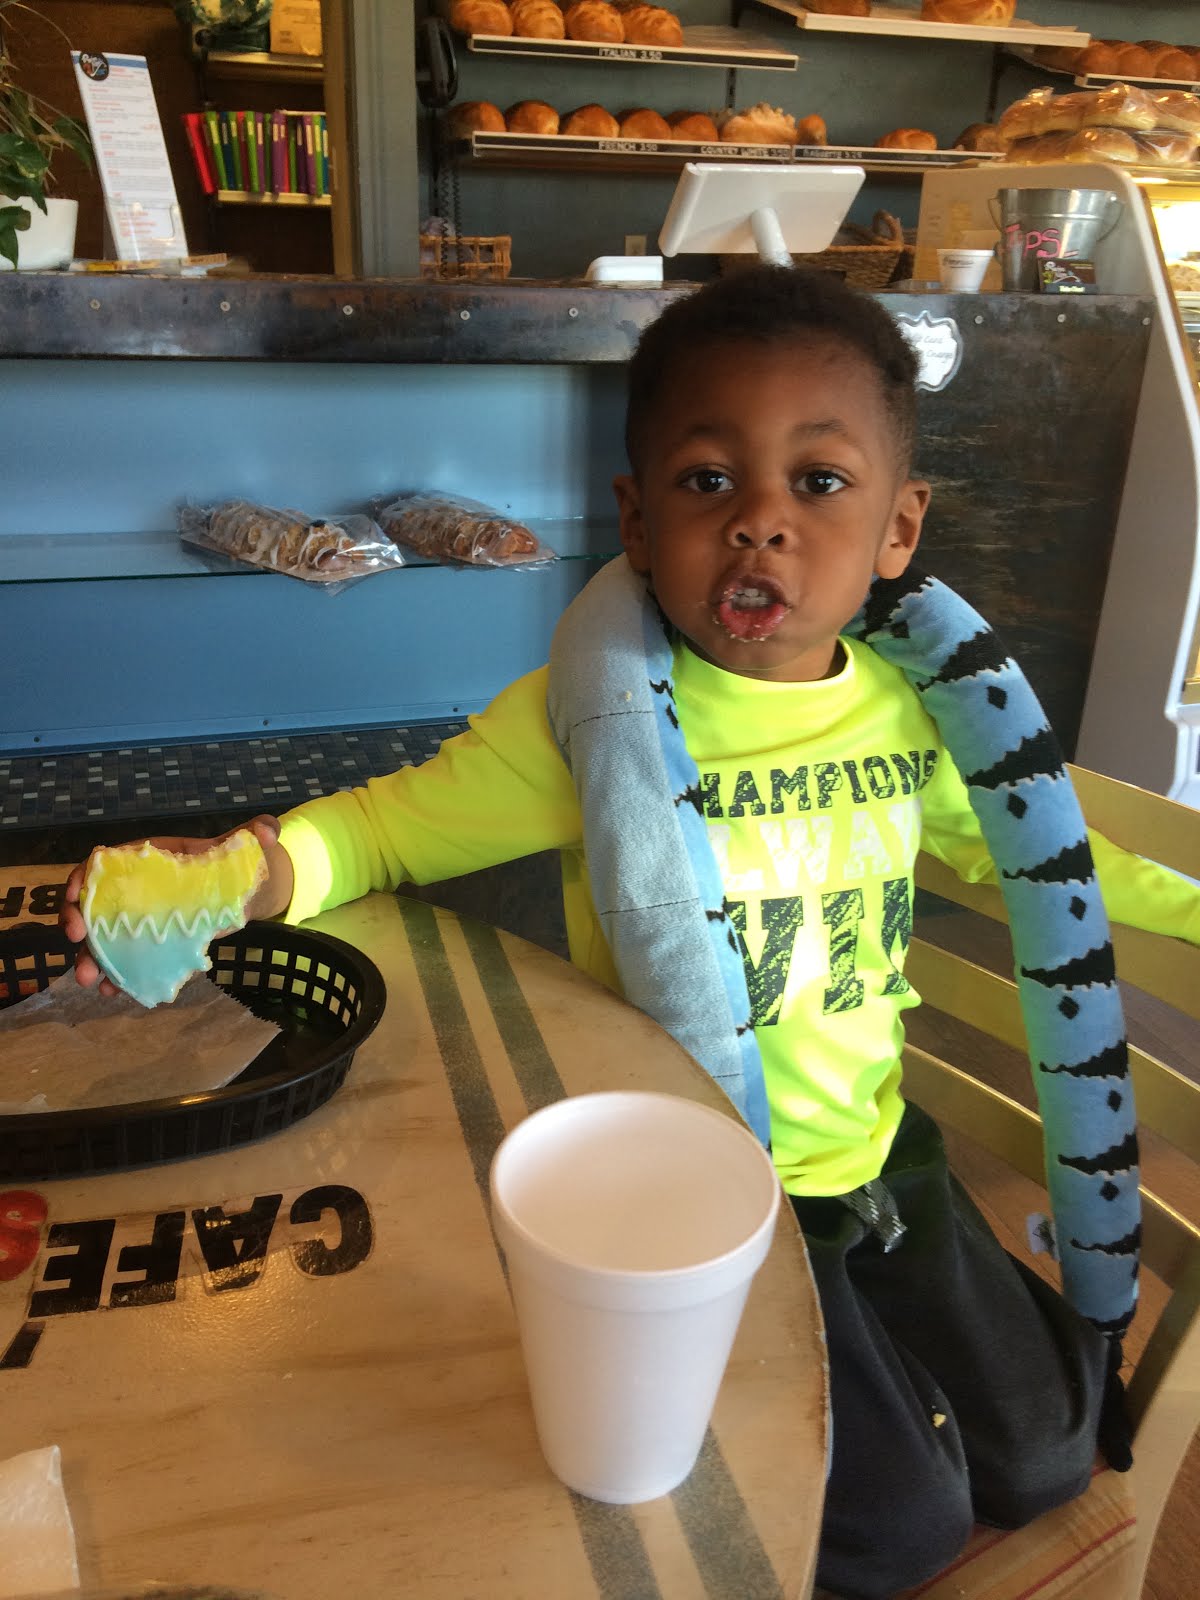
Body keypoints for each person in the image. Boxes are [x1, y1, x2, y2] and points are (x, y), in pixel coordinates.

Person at [62, 266, 1200, 1599]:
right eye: (709, 481)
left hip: (888, 1158)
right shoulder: (588, 728)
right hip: (702, 1190)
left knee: (1049, 1455)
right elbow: (376, 835)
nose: (761, 521)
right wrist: (219, 880)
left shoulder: (914, 715)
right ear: (639, 520)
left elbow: (1057, 865)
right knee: (901, 1531)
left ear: (899, 527)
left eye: (819, 483)